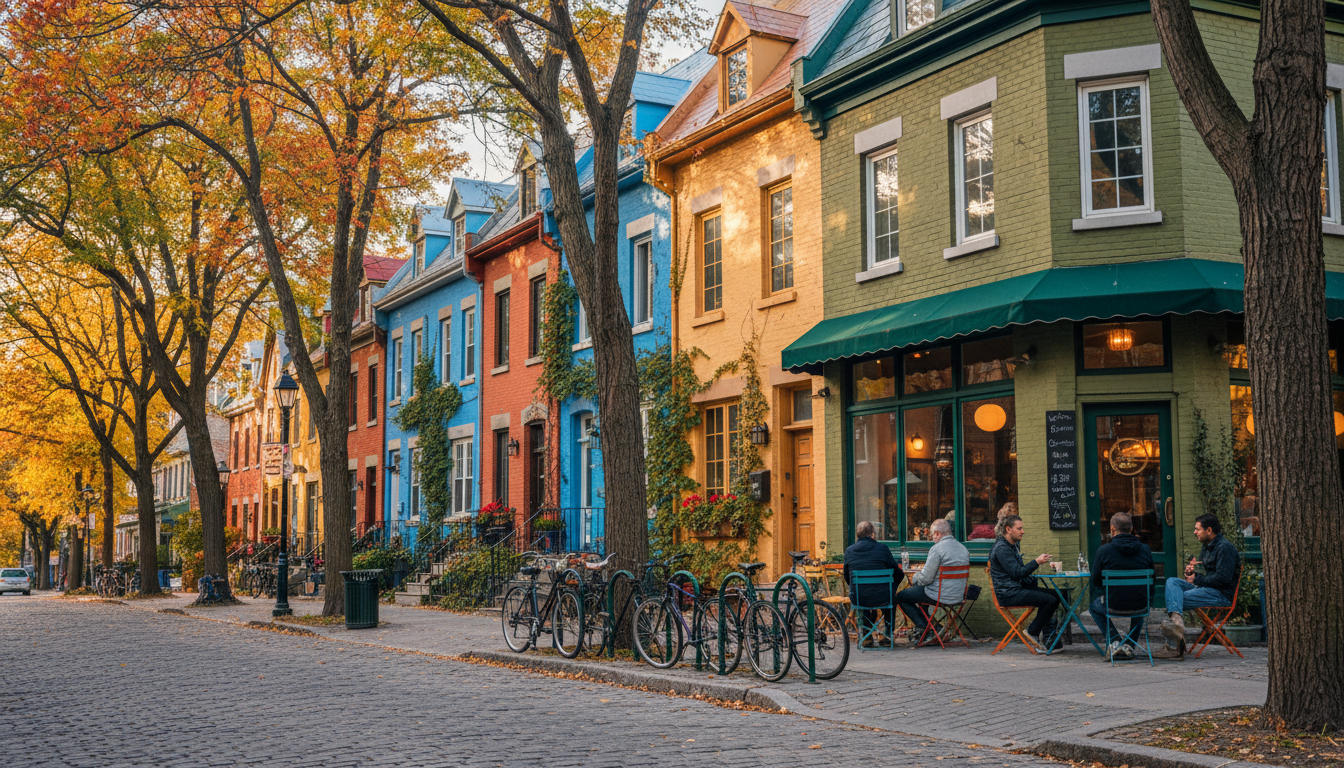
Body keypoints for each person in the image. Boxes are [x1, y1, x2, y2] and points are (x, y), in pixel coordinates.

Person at [1160, 513, 1240, 659]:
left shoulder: (1224, 548)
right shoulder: (1207, 547)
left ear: (1209, 530)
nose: (1194, 532)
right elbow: (1207, 576)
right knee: (1172, 582)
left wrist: (1196, 578)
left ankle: (1174, 646)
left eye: (1197, 529)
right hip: (1207, 589)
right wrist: (1192, 573)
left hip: (1220, 594)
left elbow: (1223, 579)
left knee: (1174, 599)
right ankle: (1177, 631)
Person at [1087, 512, 1154, 661]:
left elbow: (1096, 581)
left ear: (1112, 530)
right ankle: (1130, 645)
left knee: (1093, 607)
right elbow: (1152, 579)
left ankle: (1116, 641)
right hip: (1140, 605)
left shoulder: (1103, 551)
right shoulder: (1145, 550)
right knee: (1141, 598)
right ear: (1131, 529)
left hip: (1113, 604)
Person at [989, 514, 1060, 650]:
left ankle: (1049, 638)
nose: (1023, 531)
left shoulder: (1011, 546)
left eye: (1022, 528)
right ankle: (1032, 632)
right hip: (1009, 593)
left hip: (1017, 588)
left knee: (1056, 595)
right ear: (1008, 529)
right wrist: (1036, 562)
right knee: (1049, 600)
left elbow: (1019, 573)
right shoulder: (1002, 549)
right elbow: (1016, 573)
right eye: (1019, 528)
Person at [896, 518, 970, 646]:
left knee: (901, 596)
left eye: (932, 535)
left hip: (939, 595)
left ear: (937, 533)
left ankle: (924, 627)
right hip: (958, 596)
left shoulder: (937, 549)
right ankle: (933, 628)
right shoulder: (963, 549)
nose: (932, 539)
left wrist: (914, 577)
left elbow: (926, 579)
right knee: (920, 594)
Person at [844, 520, 903, 647]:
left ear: (858, 535)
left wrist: (856, 588)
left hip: (859, 596)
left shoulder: (849, 551)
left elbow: (847, 576)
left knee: (863, 597)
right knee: (890, 599)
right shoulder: (883, 549)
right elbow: (898, 572)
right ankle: (886, 635)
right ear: (872, 534)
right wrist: (892, 588)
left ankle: (866, 636)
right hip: (883, 596)